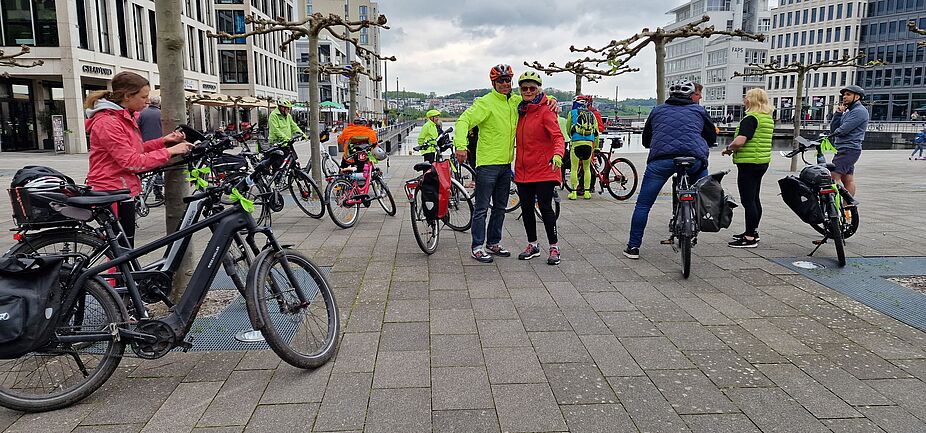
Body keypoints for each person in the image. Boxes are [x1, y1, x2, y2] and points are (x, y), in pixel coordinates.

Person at [452, 64, 557, 263]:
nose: (505, 83)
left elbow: (536, 99)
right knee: (482, 207)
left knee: (500, 207)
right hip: (487, 164)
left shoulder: (516, 101)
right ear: (493, 83)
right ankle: (477, 246)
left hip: (506, 164)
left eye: (508, 79)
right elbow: (463, 121)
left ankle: (494, 242)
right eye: (500, 80)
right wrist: (461, 145)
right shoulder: (485, 103)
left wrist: (551, 100)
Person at [85, 71, 193, 246]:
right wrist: (171, 151)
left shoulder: (123, 116)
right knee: (120, 249)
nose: (147, 101)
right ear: (127, 96)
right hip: (111, 191)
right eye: (144, 96)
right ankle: (112, 275)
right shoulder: (109, 122)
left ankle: (122, 273)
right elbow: (132, 162)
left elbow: (135, 150)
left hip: (121, 189)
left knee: (125, 244)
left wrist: (164, 141)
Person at [623, 79, 716, 259]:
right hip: (693, 159)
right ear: (691, 95)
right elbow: (711, 136)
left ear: (670, 95)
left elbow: (646, 140)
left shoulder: (657, 110)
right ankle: (702, 210)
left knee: (643, 204)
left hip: (661, 161)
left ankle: (633, 247)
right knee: (704, 188)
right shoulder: (699, 110)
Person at [512, 71, 565, 265]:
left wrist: (558, 155)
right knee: (526, 208)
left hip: (544, 169)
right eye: (524, 88)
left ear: (538, 90)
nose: (528, 91)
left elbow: (558, 137)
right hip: (523, 170)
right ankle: (532, 244)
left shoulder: (546, 110)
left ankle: (554, 247)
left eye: (532, 88)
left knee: (545, 207)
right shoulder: (519, 109)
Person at [721, 88, 774, 248]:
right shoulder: (767, 118)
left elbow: (740, 141)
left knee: (748, 200)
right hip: (761, 162)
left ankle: (749, 237)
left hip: (748, 164)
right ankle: (753, 231)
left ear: (751, 100)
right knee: (755, 199)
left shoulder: (750, 118)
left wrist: (729, 149)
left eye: (746, 98)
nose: (744, 100)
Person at [829, 85, 869, 196]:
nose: (844, 97)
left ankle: (838, 206)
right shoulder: (848, 111)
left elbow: (842, 130)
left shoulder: (859, 111)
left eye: (848, 94)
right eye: (844, 95)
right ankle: (848, 208)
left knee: (834, 176)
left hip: (848, 149)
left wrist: (832, 134)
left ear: (857, 97)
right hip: (846, 148)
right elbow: (833, 129)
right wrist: (837, 114)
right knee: (847, 178)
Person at [566, 96, 600, 199]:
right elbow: (596, 132)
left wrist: (572, 137)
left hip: (576, 143)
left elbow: (568, 129)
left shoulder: (572, 113)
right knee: (586, 169)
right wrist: (596, 147)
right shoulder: (591, 114)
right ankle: (587, 193)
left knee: (574, 169)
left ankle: (574, 193)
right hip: (589, 144)